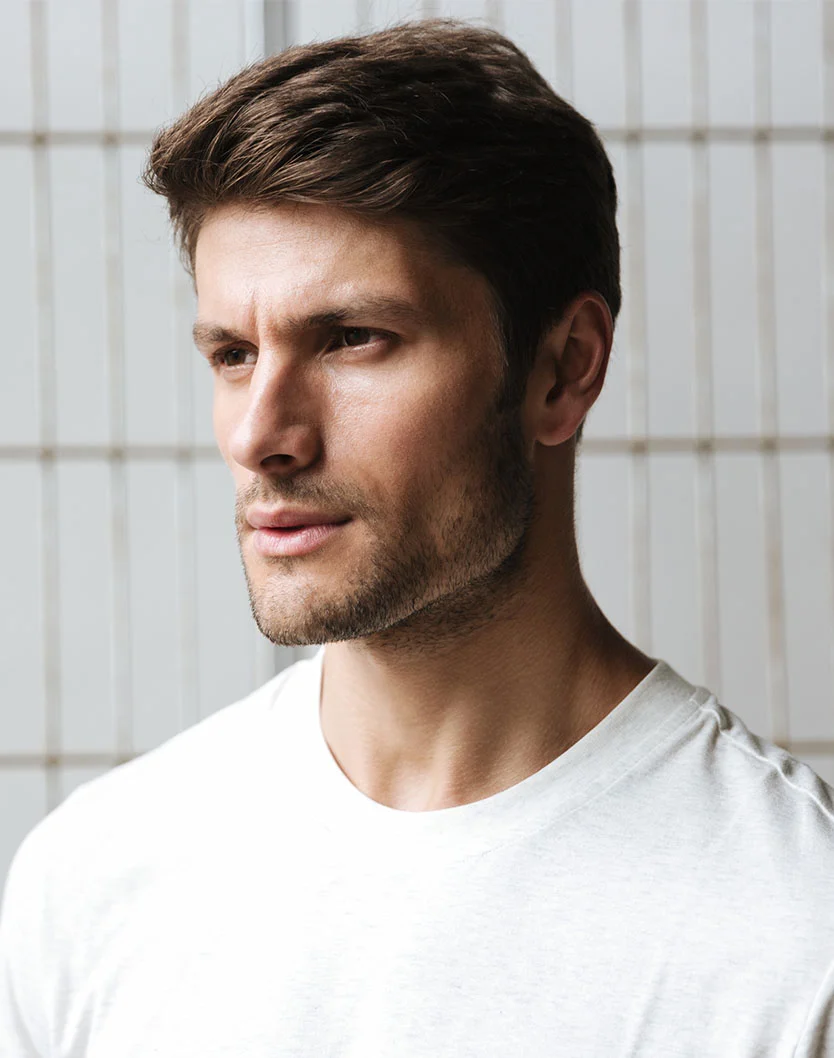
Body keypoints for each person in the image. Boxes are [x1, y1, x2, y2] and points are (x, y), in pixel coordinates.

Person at [1, 17, 833, 1057]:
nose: (262, 434)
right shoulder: (92, 881)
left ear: (563, 368)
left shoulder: (794, 933)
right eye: (230, 352)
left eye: (352, 339)